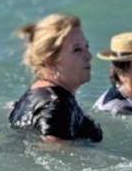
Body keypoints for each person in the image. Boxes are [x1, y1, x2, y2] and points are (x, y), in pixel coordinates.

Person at [9, 13, 103, 142]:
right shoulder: (58, 106)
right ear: (50, 60)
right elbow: (58, 155)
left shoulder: (35, 93)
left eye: (86, 47)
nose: (89, 56)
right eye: (77, 50)